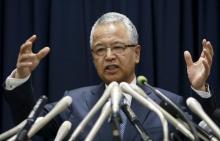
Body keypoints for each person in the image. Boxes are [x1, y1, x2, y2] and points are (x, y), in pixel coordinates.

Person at [3, 12, 216, 141]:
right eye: (99, 50)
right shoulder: (74, 103)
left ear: (137, 53)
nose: (109, 56)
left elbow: (204, 132)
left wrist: (200, 89)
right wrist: (21, 78)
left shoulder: (166, 104)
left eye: (118, 47)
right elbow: (28, 124)